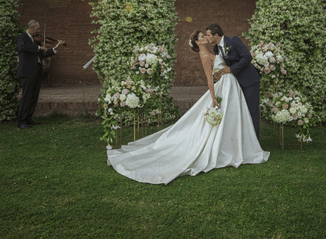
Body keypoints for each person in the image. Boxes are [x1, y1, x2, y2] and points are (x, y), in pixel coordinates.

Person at [106, 30, 269, 184]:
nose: (205, 37)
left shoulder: (215, 49)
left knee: (234, 116)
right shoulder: (204, 54)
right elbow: (209, 78)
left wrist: (225, 72)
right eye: (202, 36)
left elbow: (223, 66)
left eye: (206, 34)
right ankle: (229, 147)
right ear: (197, 42)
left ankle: (238, 144)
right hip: (223, 88)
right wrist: (213, 97)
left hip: (230, 85)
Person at [205, 24, 261, 139]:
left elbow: (247, 57)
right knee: (241, 112)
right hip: (235, 84)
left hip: (249, 81)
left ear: (216, 35)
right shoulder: (216, 48)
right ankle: (244, 141)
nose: (207, 38)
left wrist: (231, 69)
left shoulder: (233, 41)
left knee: (251, 112)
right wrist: (218, 73)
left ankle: (255, 142)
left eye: (208, 35)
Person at [15, 20, 63, 129]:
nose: (38, 31)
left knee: (34, 97)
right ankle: (21, 121)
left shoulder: (35, 41)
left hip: (37, 71)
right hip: (27, 71)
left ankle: (28, 119)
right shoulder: (21, 38)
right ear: (31, 28)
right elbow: (22, 47)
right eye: (37, 29)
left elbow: (42, 54)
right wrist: (38, 48)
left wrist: (55, 48)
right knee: (26, 96)